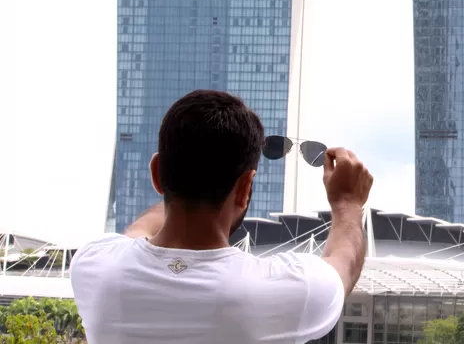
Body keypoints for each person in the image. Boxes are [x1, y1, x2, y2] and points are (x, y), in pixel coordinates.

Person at [70, 90, 373, 344]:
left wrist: (182, 178)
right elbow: (344, 261)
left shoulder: (95, 266)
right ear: (245, 187)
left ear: (156, 173)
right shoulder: (284, 290)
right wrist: (348, 202)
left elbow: (139, 231)